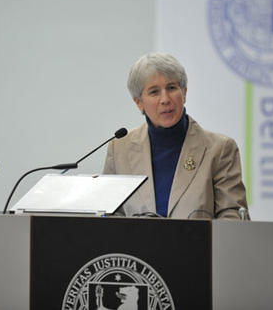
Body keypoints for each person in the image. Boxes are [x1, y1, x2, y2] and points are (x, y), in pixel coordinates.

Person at [103, 52, 248, 219]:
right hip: (135, 246)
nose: (165, 99)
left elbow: (233, 216)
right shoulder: (119, 149)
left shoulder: (220, 149)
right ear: (139, 103)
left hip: (198, 245)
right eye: (154, 92)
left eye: (171, 88)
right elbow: (110, 217)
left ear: (184, 93)